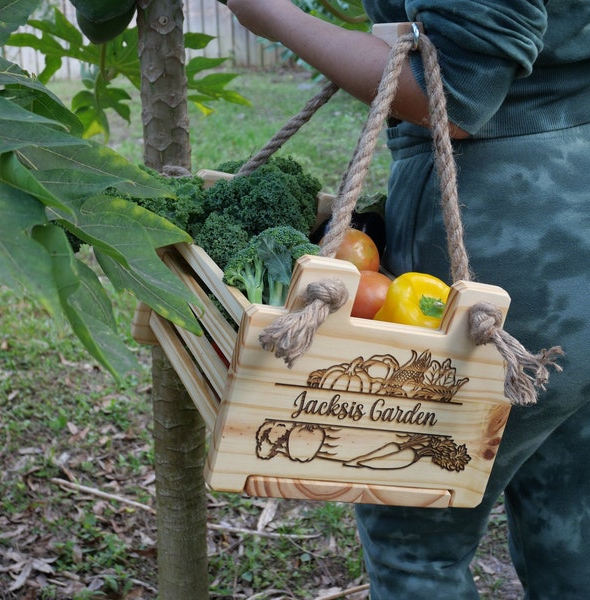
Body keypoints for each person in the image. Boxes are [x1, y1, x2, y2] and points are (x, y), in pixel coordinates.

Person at [226, 1, 590, 598]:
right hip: (573, 207)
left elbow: (455, 91)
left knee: (417, 547)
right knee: (569, 517)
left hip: (507, 246)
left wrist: (266, 14)